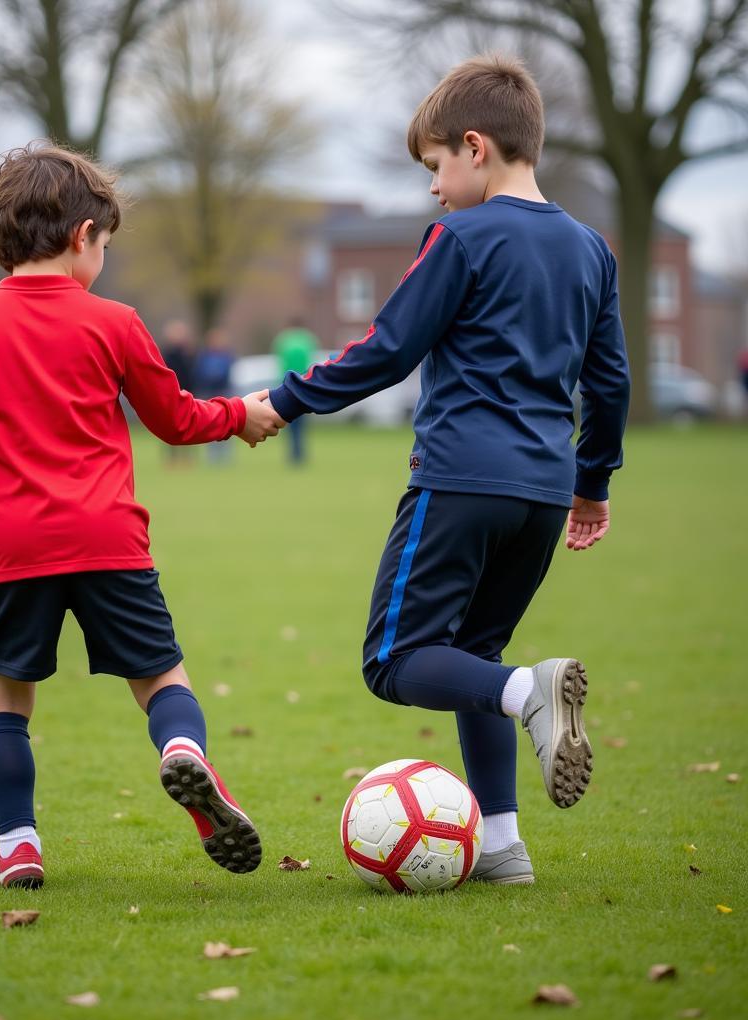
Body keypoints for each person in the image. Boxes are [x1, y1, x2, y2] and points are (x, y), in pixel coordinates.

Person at [264, 56, 630, 885]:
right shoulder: (592, 251)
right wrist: (592, 482)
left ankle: (528, 692)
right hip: (541, 493)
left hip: (460, 480)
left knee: (397, 661)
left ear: (475, 148)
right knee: (475, 650)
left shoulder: (459, 238)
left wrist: (284, 402)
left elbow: (388, 348)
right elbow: (609, 384)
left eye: (434, 167)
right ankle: (502, 847)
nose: (433, 189)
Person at [0, 142, 282, 889]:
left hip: (11, 550)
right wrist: (241, 416)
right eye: (104, 243)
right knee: (162, 679)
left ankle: (20, 846)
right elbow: (173, 418)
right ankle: (182, 755)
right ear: (79, 237)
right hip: (110, 541)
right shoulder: (115, 322)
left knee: (4, 698)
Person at [272, 316, 317, 464]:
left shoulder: (283, 340)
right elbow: (312, 362)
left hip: (287, 386)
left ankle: (292, 454)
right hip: (304, 385)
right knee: (302, 423)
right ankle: (300, 453)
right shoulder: (308, 339)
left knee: (288, 421)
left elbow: (279, 362)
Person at [159, 319, 198, 465]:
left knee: (191, 423)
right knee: (170, 424)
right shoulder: (166, 353)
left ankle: (187, 456)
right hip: (172, 393)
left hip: (188, 391)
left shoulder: (188, 353)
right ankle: (172, 457)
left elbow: (193, 371)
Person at [195, 327, 236, 464]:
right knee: (210, 424)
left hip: (224, 392)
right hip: (209, 394)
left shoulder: (227, 356)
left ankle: (226, 456)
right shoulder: (204, 356)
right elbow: (200, 373)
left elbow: (228, 372)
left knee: (229, 423)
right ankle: (212, 457)